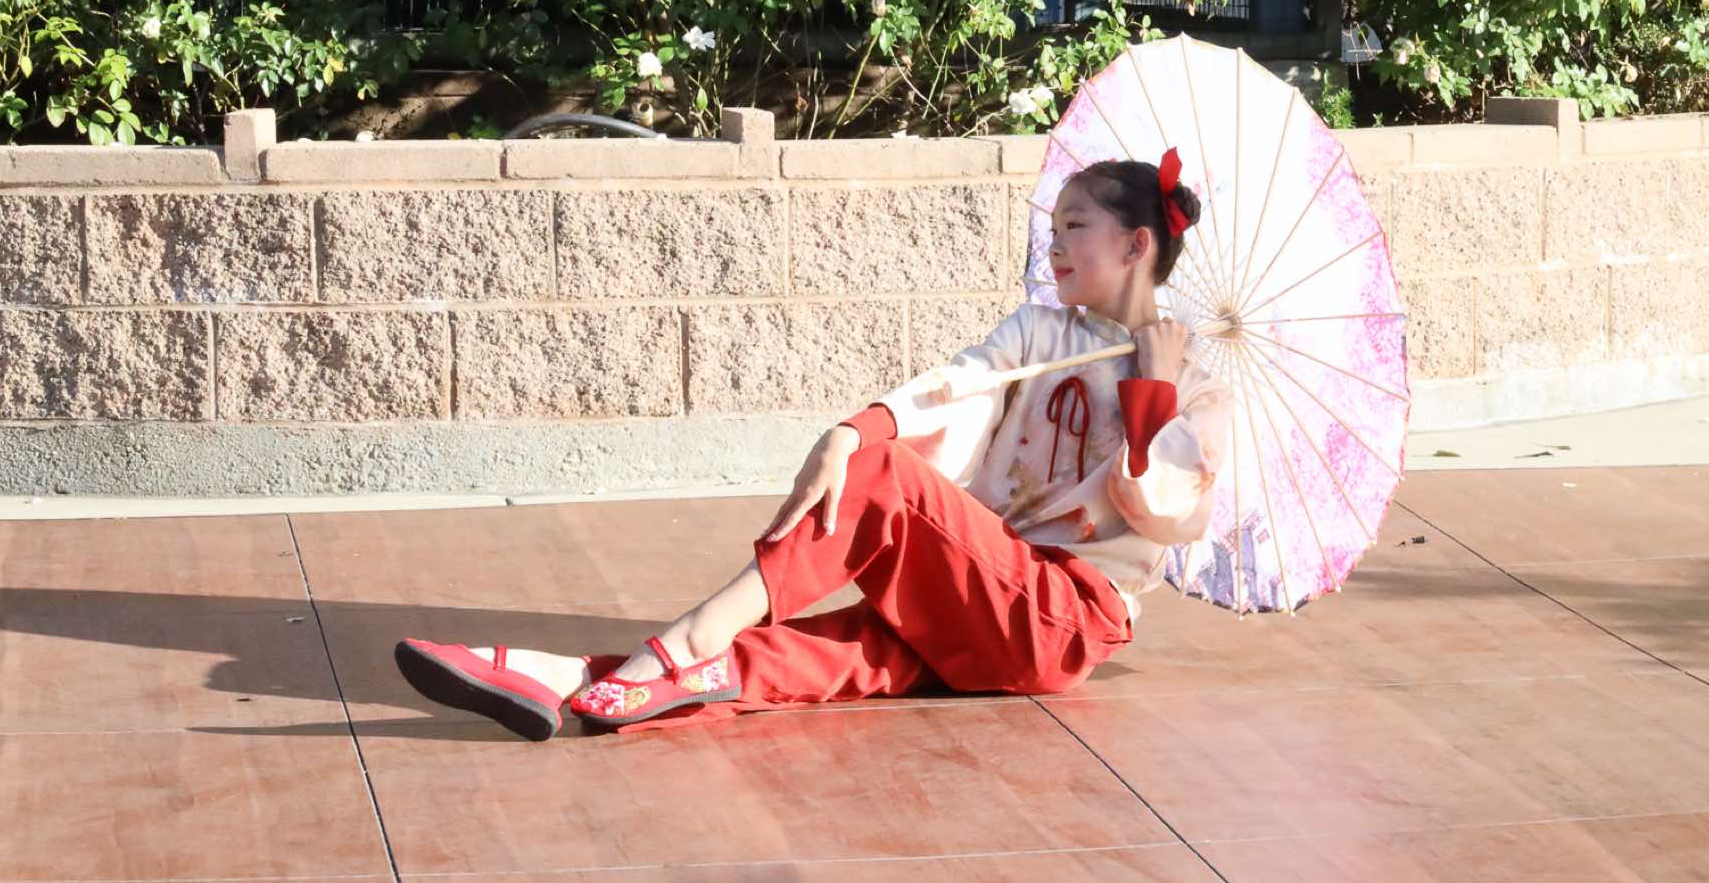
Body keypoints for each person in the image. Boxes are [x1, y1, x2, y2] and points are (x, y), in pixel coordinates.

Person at [393, 147, 1235, 741]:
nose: (1053, 245)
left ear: (1137, 245)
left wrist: (1153, 386)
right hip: (979, 589)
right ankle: (564, 676)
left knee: (885, 479)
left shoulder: (1198, 384)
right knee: (812, 655)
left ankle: (685, 639)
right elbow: (958, 386)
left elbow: (1159, 505)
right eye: (1051, 227)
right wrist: (852, 429)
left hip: (1060, 619)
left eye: (1074, 225)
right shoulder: (1041, 331)